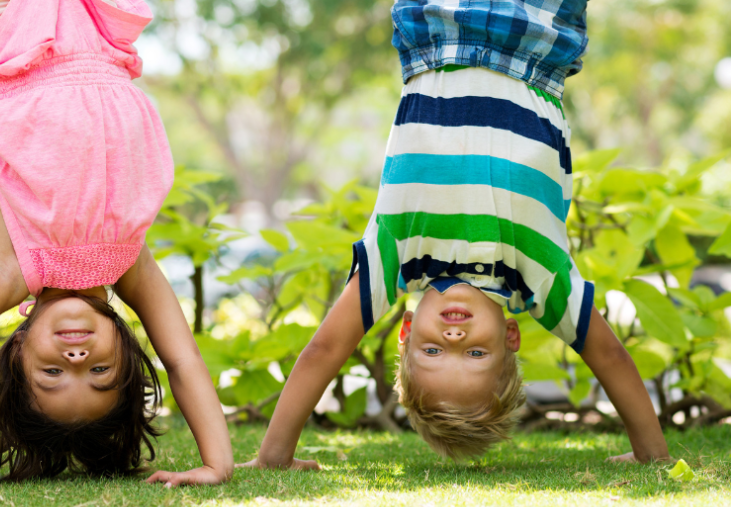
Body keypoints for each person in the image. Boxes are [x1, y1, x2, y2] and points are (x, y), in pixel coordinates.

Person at [239, 0, 670, 468]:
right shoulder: (540, 279)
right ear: (510, 338)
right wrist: (654, 455)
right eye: (475, 352)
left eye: (433, 349)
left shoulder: (396, 261)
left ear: (405, 332)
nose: (454, 333)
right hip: (531, 35)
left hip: (440, 28)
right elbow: (608, 354)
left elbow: (324, 348)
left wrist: (273, 457)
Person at [0, 0, 233, 493]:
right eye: (101, 371)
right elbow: (183, 360)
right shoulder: (129, 265)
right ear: (126, 353)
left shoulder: (13, 270)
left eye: (51, 373)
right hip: (96, 35)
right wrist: (217, 464)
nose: (78, 361)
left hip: (16, 37)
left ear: (17, 351)